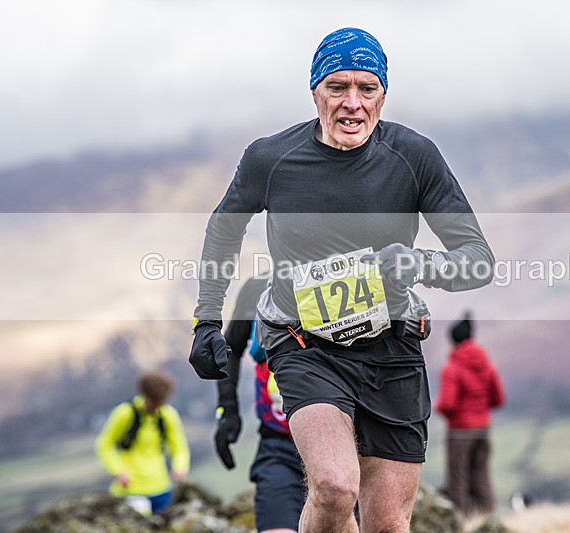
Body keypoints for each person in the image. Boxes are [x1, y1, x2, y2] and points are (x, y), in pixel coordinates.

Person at [188, 27, 494, 532]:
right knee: (333, 487)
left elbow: (477, 258)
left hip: (392, 349)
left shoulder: (413, 157)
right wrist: (206, 321)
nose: (352, 103)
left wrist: (420, 265)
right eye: (337, 87)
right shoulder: (271, 158)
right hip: (305, 344)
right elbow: (223, 231)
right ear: (315, 92)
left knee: (387, 526)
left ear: (383, 95)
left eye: (367, 89)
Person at [214, 275, 305, 533]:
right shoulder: (257, 290)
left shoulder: (340, 278)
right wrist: (227, 411)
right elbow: (230, 346)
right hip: (278, 446)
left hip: (343, 447)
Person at [435, 313, 505, 519]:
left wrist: (440, 409)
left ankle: (461, 523)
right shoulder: (487, 366)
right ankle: (489, 522)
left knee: (458, 481)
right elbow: (498, 399)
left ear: (454, 340)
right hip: (483, 431)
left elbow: (447, 403)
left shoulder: (452, 368)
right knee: (481, 479)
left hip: (459, 433)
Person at [95, 370, 190, 515]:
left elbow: (179, 447)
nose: (157, 406)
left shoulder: (168, 415)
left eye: (161, 402)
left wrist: (180, 467)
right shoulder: (124, 413)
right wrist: (117, 471)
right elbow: (104, 444)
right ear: (145, 395)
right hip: (129, 490)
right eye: (154, 402)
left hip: (161, 489)